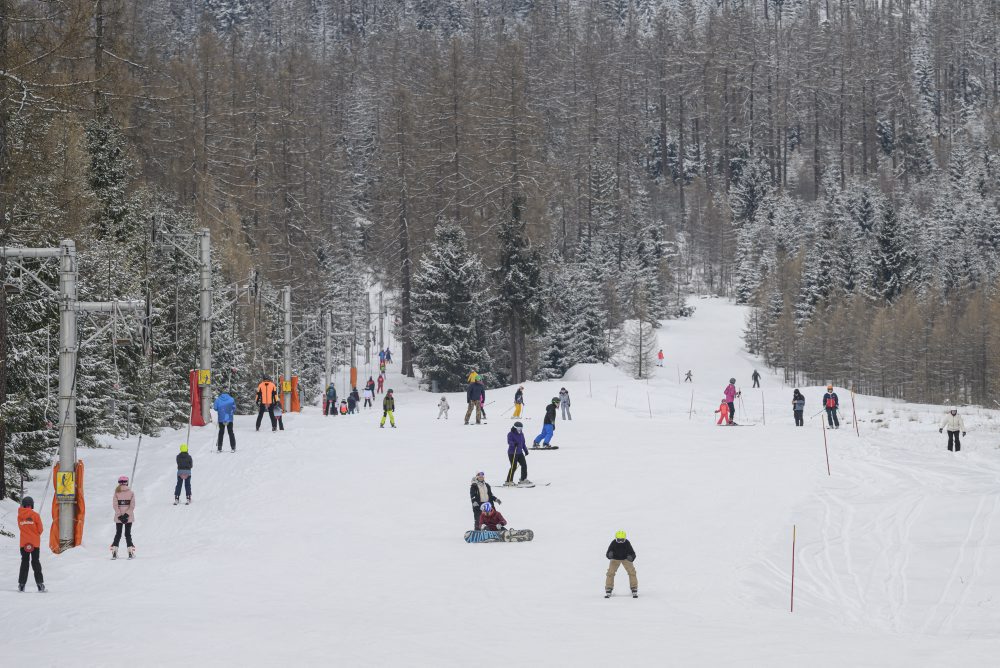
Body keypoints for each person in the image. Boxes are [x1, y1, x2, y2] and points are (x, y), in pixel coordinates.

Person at [17, 496, 44, 592]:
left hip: (24, 543)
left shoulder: (19, 516)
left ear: (23, 505)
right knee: (35, 562)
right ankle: (40, 584)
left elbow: (20, 527)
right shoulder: (35, 515)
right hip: (35, 543)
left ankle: (21, 585)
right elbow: (40, 529)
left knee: (24, 562)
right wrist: (35, 533)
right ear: (32, 505)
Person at [605, 530, 638, 598]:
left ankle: (634, 587)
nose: (620, 542)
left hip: (626, 559)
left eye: (622, 540)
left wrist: (631, 557)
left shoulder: (627, 543)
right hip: (615, 559)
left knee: (632, 572)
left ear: (624, 539)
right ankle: (609, 588)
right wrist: (609, 555)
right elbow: (608, 553)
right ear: (616, 539)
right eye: (619, 540)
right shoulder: (613, 543)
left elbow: (633, 553)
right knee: (610, 572)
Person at [111, 476, 136, 559]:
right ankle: (130, 553)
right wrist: (126, 515)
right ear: (126, 482)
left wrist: (120, 515)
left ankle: (114, 552)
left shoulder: (116, 492)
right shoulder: (131, 492)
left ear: (119, 483)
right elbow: (132, 506)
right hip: (128, 517)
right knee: (128, 534)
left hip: (119, 517)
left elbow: (115, 505)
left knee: (118, 534)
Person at [505, 421, 531, 486]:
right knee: (514, 467)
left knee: (524, 465)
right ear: (515, 427)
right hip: (512, 453)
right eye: (518, 428)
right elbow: (509, 441)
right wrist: (514, 444)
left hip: (519, 452)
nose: (520, 429)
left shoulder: (521, 434)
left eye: (521, 428)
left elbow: (523, 443)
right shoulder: (510, 434)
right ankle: (508, 481)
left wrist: (525, 450)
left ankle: (523, 479)